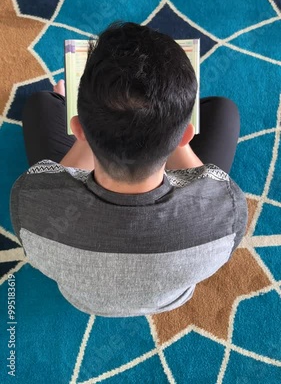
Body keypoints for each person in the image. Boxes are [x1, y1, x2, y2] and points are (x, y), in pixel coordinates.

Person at [10, 22, 248, 317]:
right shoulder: (227, 211)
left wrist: (95, 131)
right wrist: (168, 129)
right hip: (170, 295)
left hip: (82, 297)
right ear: (185, 136)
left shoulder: (30, 201)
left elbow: (53, 175)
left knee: (40, 103)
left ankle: (71, 106)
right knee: (224, 110)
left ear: (78, 129)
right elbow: (207, 180)